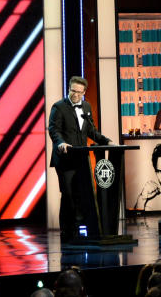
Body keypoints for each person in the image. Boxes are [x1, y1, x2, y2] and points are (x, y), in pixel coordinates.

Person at [48, 75, 112, 241]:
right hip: (65, 158)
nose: (75, 95)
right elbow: (54, 130)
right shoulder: (59, 107)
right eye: (72, 91)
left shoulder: (86, 107)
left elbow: (91, 131)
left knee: (80, 194)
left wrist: (107, 141)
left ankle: (78, 228)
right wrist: (61, 143)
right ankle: (67, 231)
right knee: (68, 194)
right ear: (68, 89)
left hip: (81, 158)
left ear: (84, 92)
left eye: (78, 92)